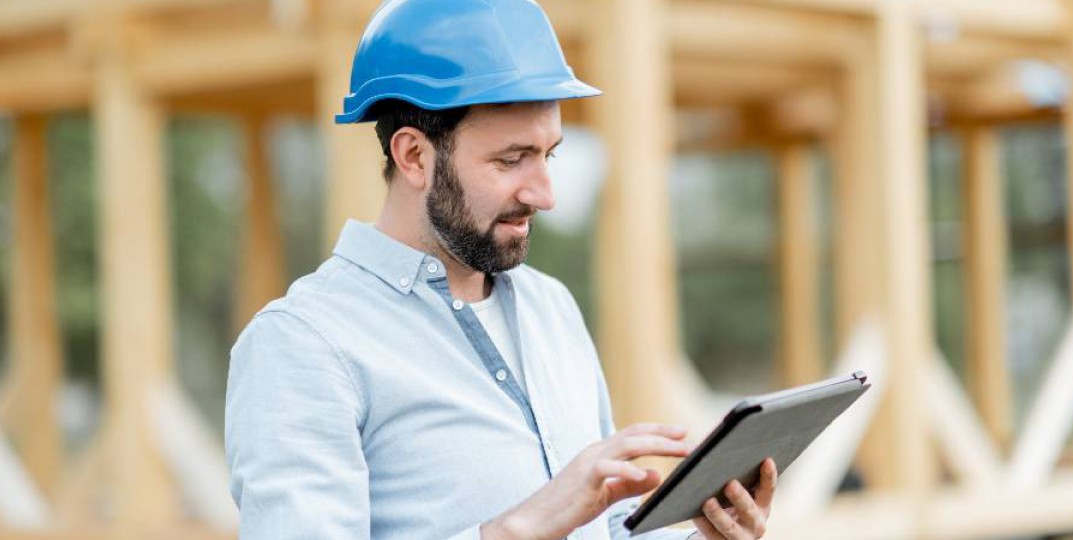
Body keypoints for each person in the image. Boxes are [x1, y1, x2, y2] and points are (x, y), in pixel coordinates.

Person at [225, 0, 777, 538]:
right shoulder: (302, 344)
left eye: (549, 154)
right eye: (511, 160)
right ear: (414, 156)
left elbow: (605, 531)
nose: (544, 193)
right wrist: (518, 529)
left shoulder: (551, 306)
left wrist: (706, 538)